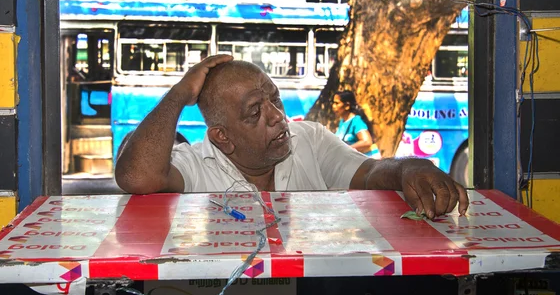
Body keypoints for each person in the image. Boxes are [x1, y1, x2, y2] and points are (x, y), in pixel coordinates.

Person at [115, 55, 468, 219]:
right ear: (222, 138)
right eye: (255, 112)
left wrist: (408, 168)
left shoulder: (307, 138)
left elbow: (369, 173)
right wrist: (177, 95)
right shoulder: (196, 163)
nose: (277, 116)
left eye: (275, 98)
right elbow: (135, 176)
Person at [332, 90, 381, 158]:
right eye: (333, 103)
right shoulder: (343, 122)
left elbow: (367, 141)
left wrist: (346, 149)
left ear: (347, 106)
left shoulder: (356, 121)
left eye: (337, 103)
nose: (333, 106)